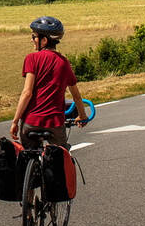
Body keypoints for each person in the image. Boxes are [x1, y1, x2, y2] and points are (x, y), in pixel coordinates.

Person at [9, 15, 89, 146]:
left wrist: (15, 121)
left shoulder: (32, 59)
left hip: (31, 122)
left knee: (27, 154)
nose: (32, 40)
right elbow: (76, 96)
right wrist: (82, 116)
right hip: (54, 123)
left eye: (34, 36)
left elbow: (27, 93)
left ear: (44, 40)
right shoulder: (64, 63)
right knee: (60, 157)